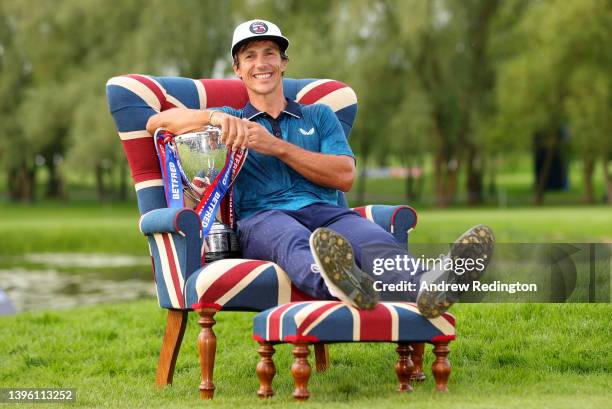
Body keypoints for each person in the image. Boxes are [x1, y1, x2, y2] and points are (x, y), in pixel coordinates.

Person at [146, 19, 494, 318]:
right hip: (262, 219)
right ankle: (347, 286)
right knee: (294, 242)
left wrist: (276, 146)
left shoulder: (320, 115)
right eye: (249, 56)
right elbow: (156, 122)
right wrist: (213, 116)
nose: (261, 63)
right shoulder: (232, 121)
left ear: (283, 63)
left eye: (269, 53)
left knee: (376, 243)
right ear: (237, 69)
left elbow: (343, 176)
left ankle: (433, 285)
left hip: (328, 213)